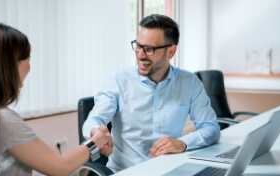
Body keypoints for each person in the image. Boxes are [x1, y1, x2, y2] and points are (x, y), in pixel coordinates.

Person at [0, 23, 112, 176]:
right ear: (8, 66)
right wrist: (96, 142)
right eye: (27, 61)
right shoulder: (2, 120)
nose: (29, 68)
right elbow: (60, 167)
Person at [82, 14, 221, 173]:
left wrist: (182, 143)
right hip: (126, 172)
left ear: (171, 52)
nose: (140, 55)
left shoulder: (189, 83)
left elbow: (211, 128)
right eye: (138, 46)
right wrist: (95, 130)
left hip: (169, 170)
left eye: (149, 49)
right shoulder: (117, 81)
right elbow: (94, 119)